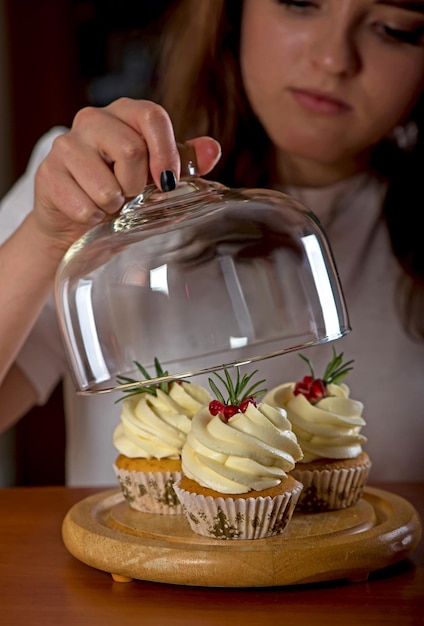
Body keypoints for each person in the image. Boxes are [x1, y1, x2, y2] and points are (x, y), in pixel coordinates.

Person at [0, 0, 423, 484]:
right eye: (301, 4)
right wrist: (45, 237)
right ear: (233, 14)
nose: (333, 59)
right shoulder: (86, 186)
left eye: (393, 29)